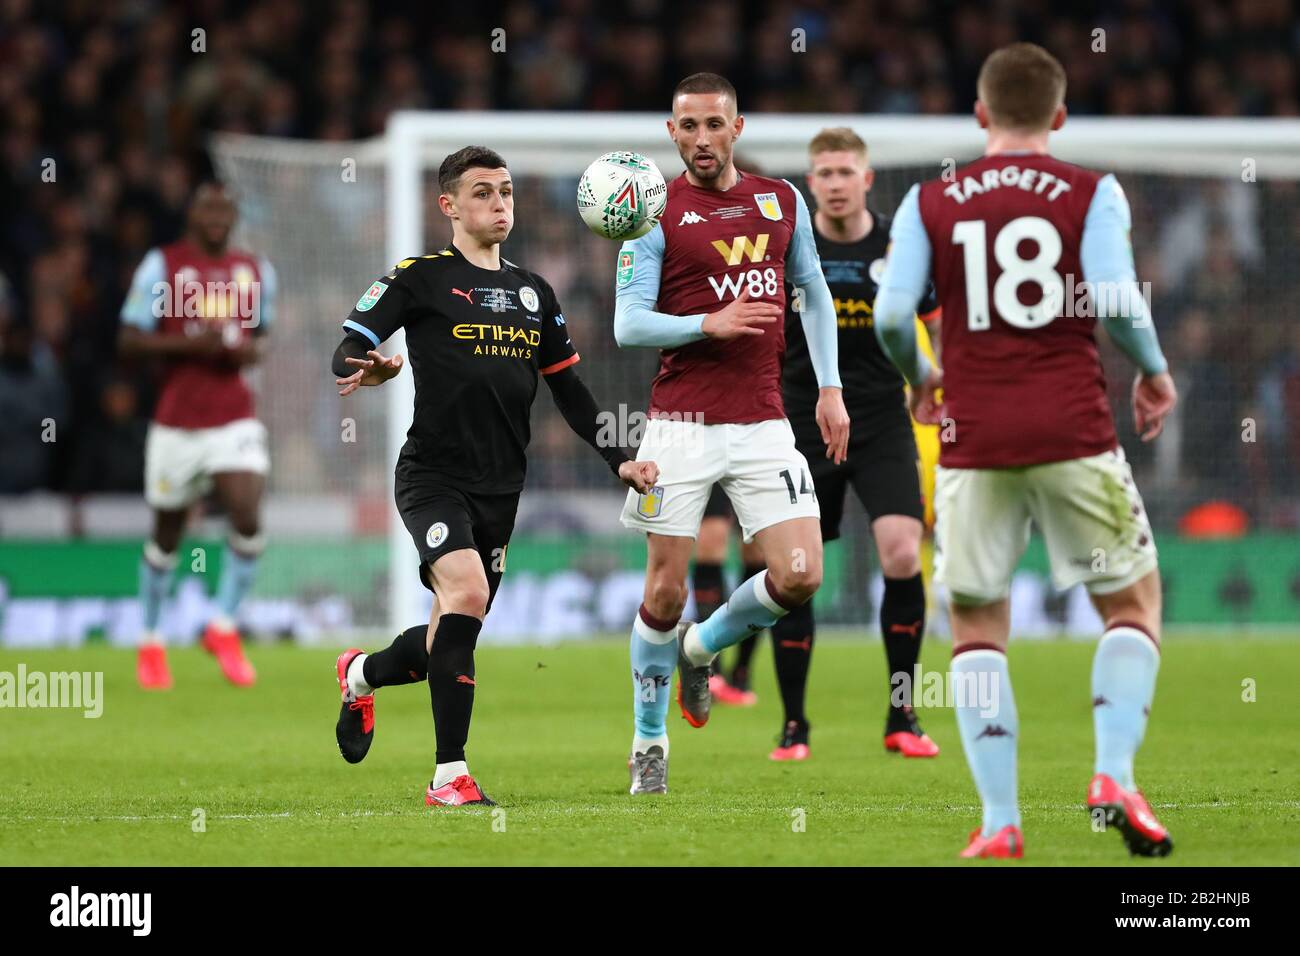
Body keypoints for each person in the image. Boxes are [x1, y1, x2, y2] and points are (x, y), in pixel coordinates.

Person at [874, 43, 1178, 858]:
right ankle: (1112, 773)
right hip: (1073, 428)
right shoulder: (1091, 191)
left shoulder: (929, 201)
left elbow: (891, 317)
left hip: (971, 439)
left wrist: (924, 378)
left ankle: (1002, 823)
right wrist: (1151, 372)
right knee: (1133, 604)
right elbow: (1115, 299)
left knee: (976, 625)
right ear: (1060, 116)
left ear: (979, 116)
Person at [329, 146, 658, 806]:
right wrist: (371, 364)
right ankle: (449, 776)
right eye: (483, 193)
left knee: (439, 642)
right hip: (432, 476)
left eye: (505, 192)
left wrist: (618, 458)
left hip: (501, 488)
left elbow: (569, 391)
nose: (499, 204)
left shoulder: (534, 292)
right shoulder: (418, 277)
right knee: (469, 593)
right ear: (448, 205)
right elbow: (347, 347)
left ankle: (360, 675)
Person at [614, 73, 848, 794]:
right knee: (662, 593)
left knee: (801, 574)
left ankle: (702, 647)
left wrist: (831, 388)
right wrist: (705, 325)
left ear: (736, 128)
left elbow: (813, 293)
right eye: (688, 127)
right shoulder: (650, 214)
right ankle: (649, 741)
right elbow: (628, 324)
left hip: (763, 418)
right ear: (672, 132)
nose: (702, 139)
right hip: (679, 423)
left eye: (714, 124)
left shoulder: (781, 201)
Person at [769, 127, 944, 762]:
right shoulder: (788, 244)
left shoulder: (900, 245)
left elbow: (936, 322)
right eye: (825, 173)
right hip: (799, 421)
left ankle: (903, 716)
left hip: (881, 419)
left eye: (847, 172)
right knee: (794, 573)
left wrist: (938, 381)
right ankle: (794, 726)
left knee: (902, 552)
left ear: (867, 179)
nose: (836, 183)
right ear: (811, 182)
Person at [118, 182, 275, 690]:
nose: (216, 217)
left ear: (233, 216)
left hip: (233, 416)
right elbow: (128, 337)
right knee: (167, 535)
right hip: (177, 423)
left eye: (224, 209)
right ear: (192, 213)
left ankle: (223, 626)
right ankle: (150, 640)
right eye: (207, 207)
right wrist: (187, 343)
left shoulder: (254, 271)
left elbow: (261, 339)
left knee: (248, 516)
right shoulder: (162, 266)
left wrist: (244, 352)